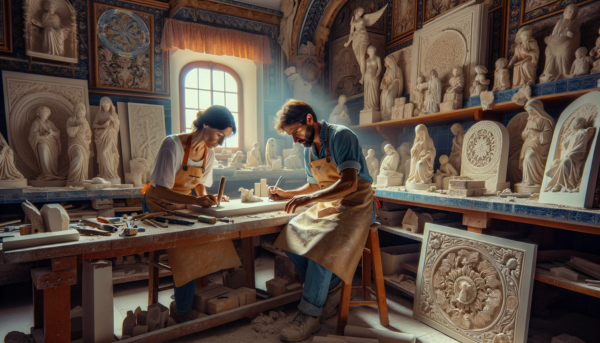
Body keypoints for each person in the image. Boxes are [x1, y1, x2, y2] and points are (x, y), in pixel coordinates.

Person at [268, 100, 377, 342]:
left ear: (309, 119)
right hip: (331, 203)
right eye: (290, 136)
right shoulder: (309, 148)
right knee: (291, 233)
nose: (294, 140)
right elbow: (313, 185)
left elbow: (349, 183)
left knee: (321, 244)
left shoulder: (341, 136)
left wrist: (310, 198)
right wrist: (285, 194)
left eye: (295, 132)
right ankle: (331, 288)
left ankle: (309, 315)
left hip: (356, 205)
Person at [142, 105, 237, 322]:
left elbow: (200, 186)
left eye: (225, 137)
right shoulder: (172, 144)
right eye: (220, 134)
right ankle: (183, 311)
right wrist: (195, 200)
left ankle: (199, 297)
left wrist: (208, 198)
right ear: (206, 124)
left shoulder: (209, 152)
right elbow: (163, 189)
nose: (221, 142)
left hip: (182, 205)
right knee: (187, 247)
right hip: (157, 204)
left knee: (211, 236)